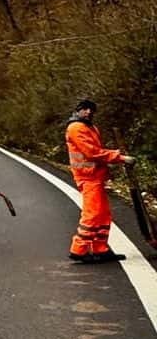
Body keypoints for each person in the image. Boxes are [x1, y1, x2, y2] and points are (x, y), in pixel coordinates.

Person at [66, 98, 131, 263]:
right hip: (87, 176)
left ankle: (100, 249)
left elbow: (98, 151)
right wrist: (119, 157)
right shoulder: (75, 128)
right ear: (78, 110)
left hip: (95, 175)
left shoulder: (91, 127)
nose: (88, 112)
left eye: (91, 110)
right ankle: (78, 249)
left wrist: (115, 155)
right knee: (93, 213)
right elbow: (92, 152)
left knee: (103, 214)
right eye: (85, 109)